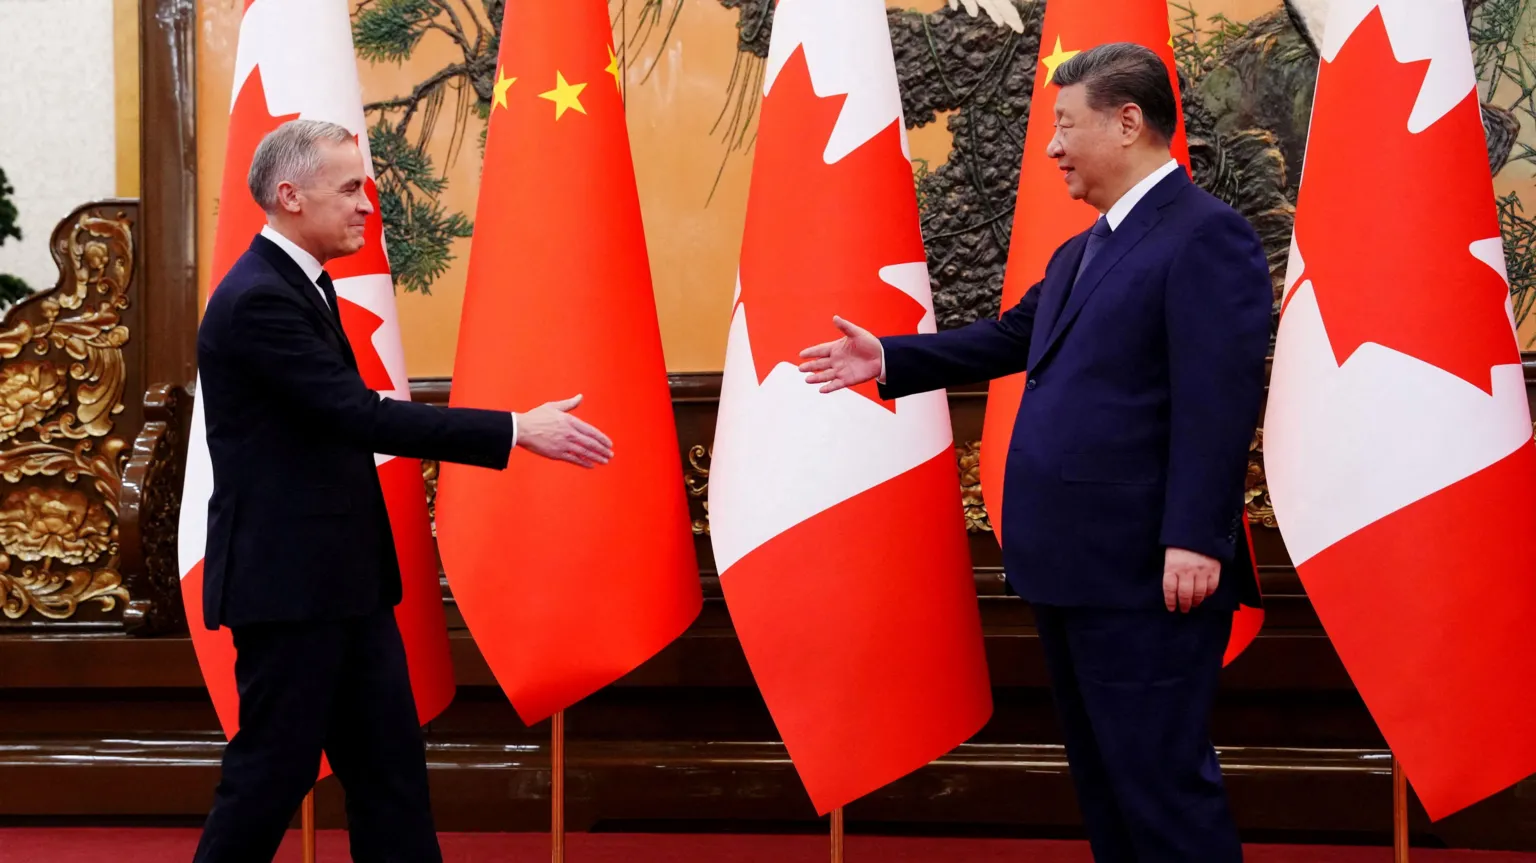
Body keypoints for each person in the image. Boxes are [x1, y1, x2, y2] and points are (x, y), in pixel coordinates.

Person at [799, 43, 1270, 863]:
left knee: (1160, 787)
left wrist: (1194, 535)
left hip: (1147, 572)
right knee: (1107, 781)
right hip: (1074, 567)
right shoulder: (1085, 247)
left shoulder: (1206, 236)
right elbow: (1017, 334)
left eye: (1064, 125)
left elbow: (1219, 397)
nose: (1050, 148)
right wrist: (891, 357)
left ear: (1129, 122)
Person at [191, 119, 614, 863]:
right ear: (289, 195)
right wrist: (515, 429)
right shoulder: (260, 298)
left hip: (342, 584)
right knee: (268, 778)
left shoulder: (294, 285)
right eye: (351, 188)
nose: (366, 206)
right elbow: (357, 415)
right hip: (291, 593)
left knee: (390, 777)